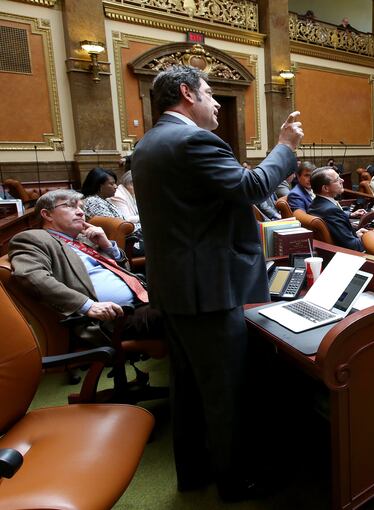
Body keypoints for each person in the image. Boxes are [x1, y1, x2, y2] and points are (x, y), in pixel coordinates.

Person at [131, 65, 303, 502]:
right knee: (226, 391)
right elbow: (251, 187)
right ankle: (236, 481)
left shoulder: (148, 143)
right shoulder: (192, 139)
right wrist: (285, 147)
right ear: (187, 93)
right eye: (209, 95)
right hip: (209, 289)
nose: (214, 106)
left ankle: (194, 472)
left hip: (176, 287)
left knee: (189, 391)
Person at [9, 189, 159, 345]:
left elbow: (125, 271)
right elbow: (31, 276)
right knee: (178, 313)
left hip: (141, 298)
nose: (81, 212)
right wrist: (87, 305)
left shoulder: (84, 238)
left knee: (181, 298)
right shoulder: (33, 239)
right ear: (47, 214)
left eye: (81, 207)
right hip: (109, 319)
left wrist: (108, 246)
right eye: (71, 206)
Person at [307, 167, 367, 251]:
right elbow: (353, 247)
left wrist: (356, 234)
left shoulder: (315, 204)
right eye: (337, 179)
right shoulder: (331, 211)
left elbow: (341, 236)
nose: (342, 180)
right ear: (325, 188)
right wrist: (367, 237)